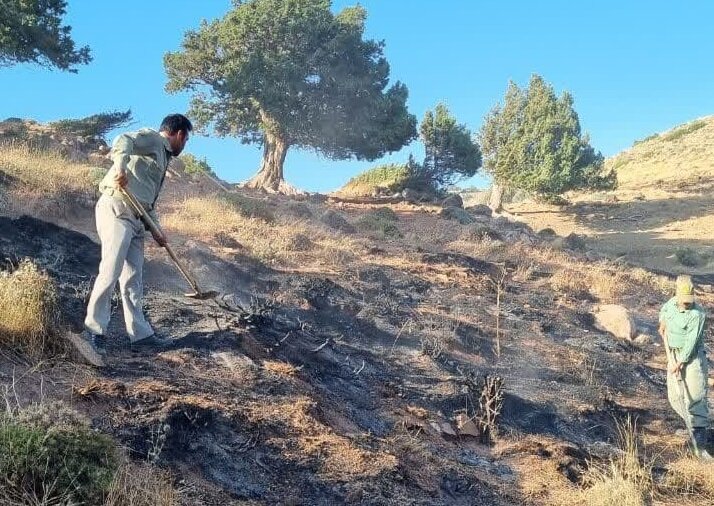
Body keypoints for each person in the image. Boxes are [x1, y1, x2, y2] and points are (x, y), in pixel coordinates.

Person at [68, 114, 192, 367]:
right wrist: (120, 168)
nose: (185, 144)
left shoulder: (163, 157)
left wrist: (156, 229)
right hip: (118, 208)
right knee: (111, 268)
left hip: (137, 217)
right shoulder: (154, 139)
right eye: (186, 139)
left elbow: (147, 201)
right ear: (179, 134)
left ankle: (140, 335)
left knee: (133, 277)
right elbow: (123, 139)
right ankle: (92, 330)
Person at [659, 274, 711, 460]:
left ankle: (700, 443)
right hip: (673, 354)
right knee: (675, 398)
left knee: (695, 398)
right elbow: (663, 312)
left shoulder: (698, 315)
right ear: (677, 296)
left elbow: (691, 342)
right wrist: (663, 323)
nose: (687, 304)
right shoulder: (671, 304)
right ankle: (694, 425)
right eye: (684, 301)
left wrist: (679, 362)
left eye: (690, 301)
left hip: (692, 359)